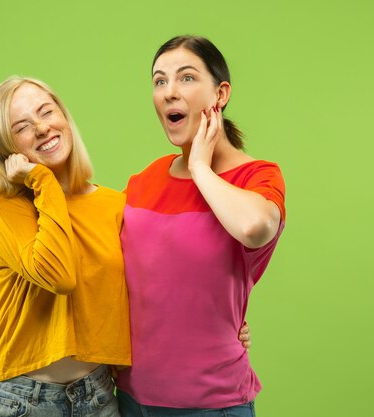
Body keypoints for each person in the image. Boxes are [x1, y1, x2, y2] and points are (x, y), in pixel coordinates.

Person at [116, 36, 286, 416]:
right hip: (130, 399)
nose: (169, 92)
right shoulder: (144, 180)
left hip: (212, 404)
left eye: (186, 78)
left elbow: (255, 227)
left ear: (221, 94)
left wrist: (199, 167)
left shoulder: (257, 177)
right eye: (159, 81)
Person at [0, 76, 131, 417]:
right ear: (6, 149)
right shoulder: (4, 209)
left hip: (99, 395)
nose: (42, 128)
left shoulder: (113, 204)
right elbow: (58, 276)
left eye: (46, 111)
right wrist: (41, 179)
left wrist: (222, 325)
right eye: (23, 127)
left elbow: (143, 290)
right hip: (24, 400)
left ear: (64, 115)